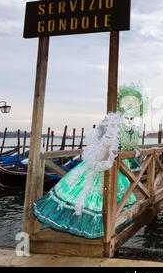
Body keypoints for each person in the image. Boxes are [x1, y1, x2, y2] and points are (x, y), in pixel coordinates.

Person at [33, 84, 145, 239]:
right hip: (108, 164)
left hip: (120, 167)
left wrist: (132, 152)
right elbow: (105, 143)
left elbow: (128, 146)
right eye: (128, 103)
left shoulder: (130, 124)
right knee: (92, 196)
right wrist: (108, 157)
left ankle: (105, 225)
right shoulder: (113, 121)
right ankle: (92, 227)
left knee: (112, 199)